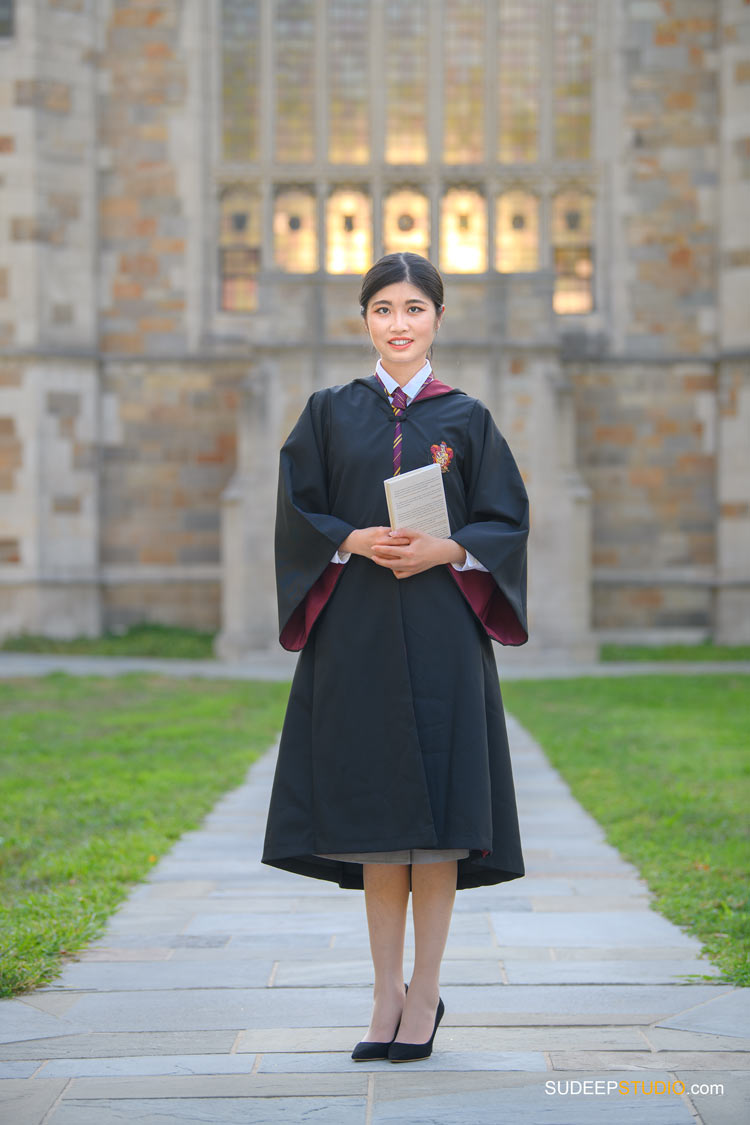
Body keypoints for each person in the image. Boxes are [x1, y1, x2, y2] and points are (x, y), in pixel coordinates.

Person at [262, 252, 529, 1063]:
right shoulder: (330, 412)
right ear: (366, 319)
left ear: (437, 318)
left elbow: (507, 519)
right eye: (384, 308)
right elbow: (297, 506)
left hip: (444, 635)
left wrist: (448, 545)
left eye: (414, 307)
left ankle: (426, 991)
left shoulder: (467, 418)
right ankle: (383, 992)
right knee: (381, 824)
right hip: (361, 636)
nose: (399, 323)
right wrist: (352, 538)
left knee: (441, 822)